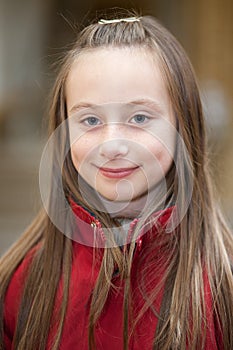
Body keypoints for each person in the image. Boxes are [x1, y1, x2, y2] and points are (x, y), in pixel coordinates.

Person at [0, 12, 233, 350]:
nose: (112, 144)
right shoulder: (22, 284)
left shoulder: (223, 285)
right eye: (90, 119)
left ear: (183, 125)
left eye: (139, 117)